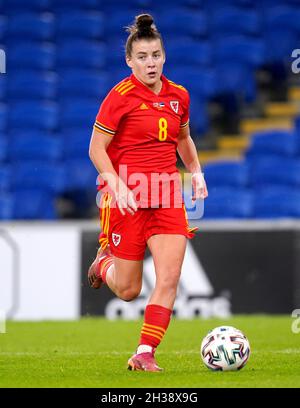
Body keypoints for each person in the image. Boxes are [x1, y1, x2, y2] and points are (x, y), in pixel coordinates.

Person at [88, 13, 208, 372]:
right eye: (142, 57)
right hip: (129, 198)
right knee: (128, 289)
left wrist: (196, 171)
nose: (150, 62)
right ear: (129, 61)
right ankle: (104, 262)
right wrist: (115, 182)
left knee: (169, 278)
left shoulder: (179, 96)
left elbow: (183, 138)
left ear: (164, 56)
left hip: (168, 197)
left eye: (155, 55)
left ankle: (144, 351)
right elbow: (96, 149)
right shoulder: (119, 96)